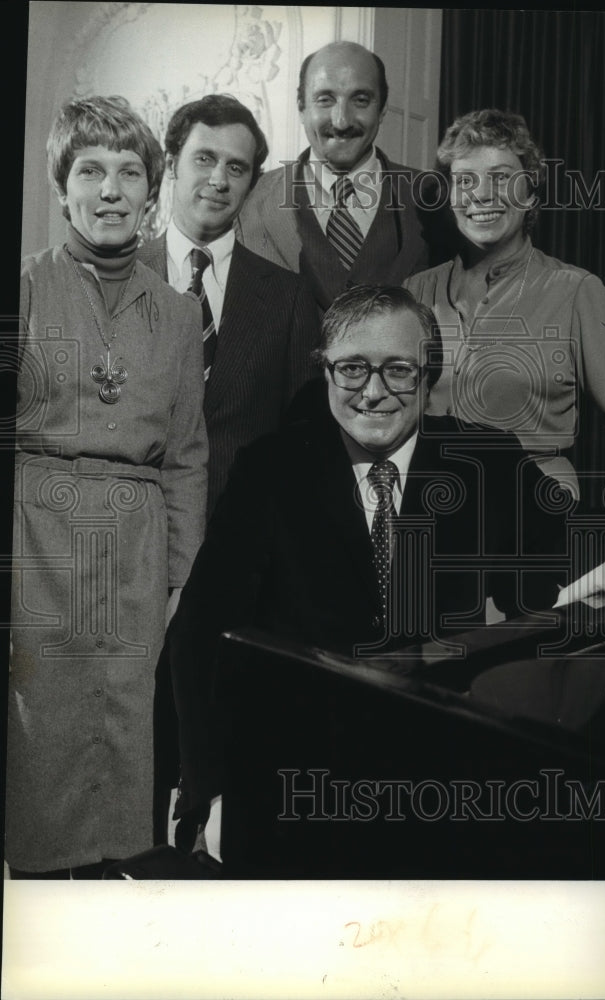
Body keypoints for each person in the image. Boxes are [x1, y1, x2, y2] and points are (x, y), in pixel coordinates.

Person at [161, 284, 597, 833]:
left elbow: (569, 567)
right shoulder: (270, 471)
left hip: (444, 782)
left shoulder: (487, 462)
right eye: (352, 369)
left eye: (398, 370)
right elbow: (201, 634)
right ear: (325, 374)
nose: (373, 392)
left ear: (428, 375)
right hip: (298, 781)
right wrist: (215, 791)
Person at [6, 96, 208, 878]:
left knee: (127, 732)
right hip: (37, 541)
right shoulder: (21, 291)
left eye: (130, 172)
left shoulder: (181, 315)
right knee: (40, 734)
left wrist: (181, 576)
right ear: (63, 187)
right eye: (91, 171)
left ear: (152, 193)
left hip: (135, 546)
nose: (112, 189)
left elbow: (187, 456)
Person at [405, 108, 605, 499]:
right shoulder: (417, 292)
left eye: (501, 178)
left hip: (534, 510)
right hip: (429, 502)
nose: (481, 195)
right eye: (465, 180)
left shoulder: (576, 291)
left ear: (531, 194)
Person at [138, 94, 321, 521]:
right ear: (170, 165)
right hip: (133, 538)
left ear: (252, 183)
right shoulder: (121, 278)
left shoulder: (288, 298)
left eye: (235, 167)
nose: (219, 180)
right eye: (204, 159)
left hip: (244, 543)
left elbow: (303, 443)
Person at [236, 41, 429, 312]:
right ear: (301, 107)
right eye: (325, 100)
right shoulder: (248, 199)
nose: (341, 121)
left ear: (383, 108)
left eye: (360, 100)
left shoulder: (434, 196)